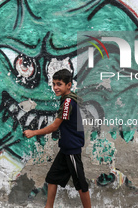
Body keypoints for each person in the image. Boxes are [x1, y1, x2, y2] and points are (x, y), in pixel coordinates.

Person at [24, 69, 91, 208]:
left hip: (72, 149)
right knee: (52, 178)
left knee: (80, 184)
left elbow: (55, 126)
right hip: (66, 148)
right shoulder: (67, 100)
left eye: (59, 84)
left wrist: (34, 132)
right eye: (54, 84)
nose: (55, 87)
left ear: (69, 85)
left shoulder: (68, 103)